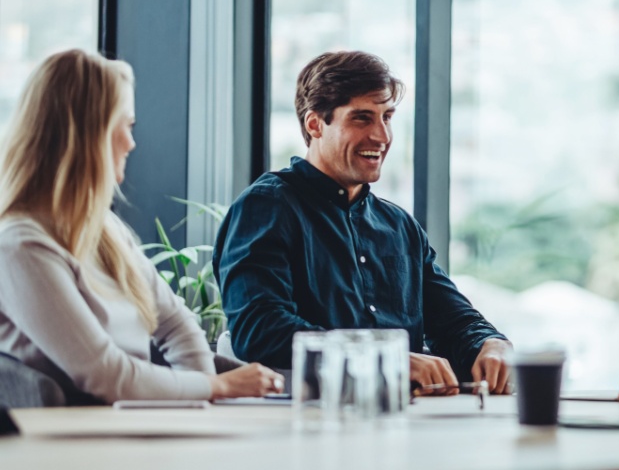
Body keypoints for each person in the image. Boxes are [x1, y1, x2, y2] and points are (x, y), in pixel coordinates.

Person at [215, 51, 512, 394]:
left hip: (407, 422)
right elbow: (260, 330)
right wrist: (386, 358)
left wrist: (491, 343)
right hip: (304, 424)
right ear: (315, 124)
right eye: (362, 119)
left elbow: (454, 320)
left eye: (387, 117)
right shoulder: (267, 207)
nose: (382, 136)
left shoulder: (399, 226)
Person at [0, 49, 283, 403]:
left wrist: (201, 401)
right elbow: (105, 374)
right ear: (92, 135)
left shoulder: (104, 229)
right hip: (72, 442)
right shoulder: (19, 246)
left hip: (128, 424)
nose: (132, 143)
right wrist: (217, 386)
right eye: (127, 125)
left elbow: (176, 324)